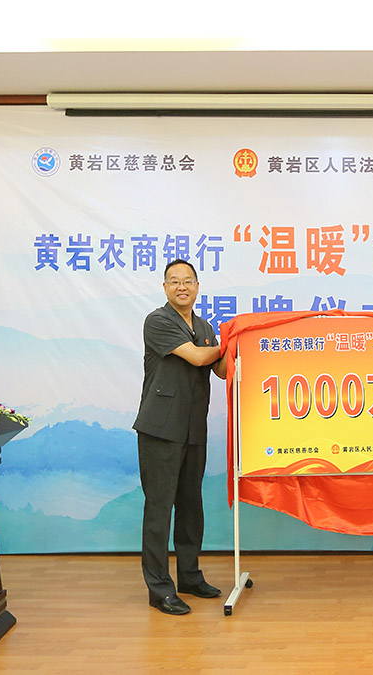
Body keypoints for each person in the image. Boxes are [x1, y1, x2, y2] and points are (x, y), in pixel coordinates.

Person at [132, 259, 227, 615]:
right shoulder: (157, 321)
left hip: (193, 429)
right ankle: (159, 589)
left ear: (197, 286)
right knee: (160, 508)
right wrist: (227, 344)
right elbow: (200, 358)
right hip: (161, 429)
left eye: (188, 281)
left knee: (190, 506)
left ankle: (189, 576)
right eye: (174, 281)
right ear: (165, 288)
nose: (182, 287)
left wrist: (240, 347)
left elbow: (220, 370)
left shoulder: (203, 326)